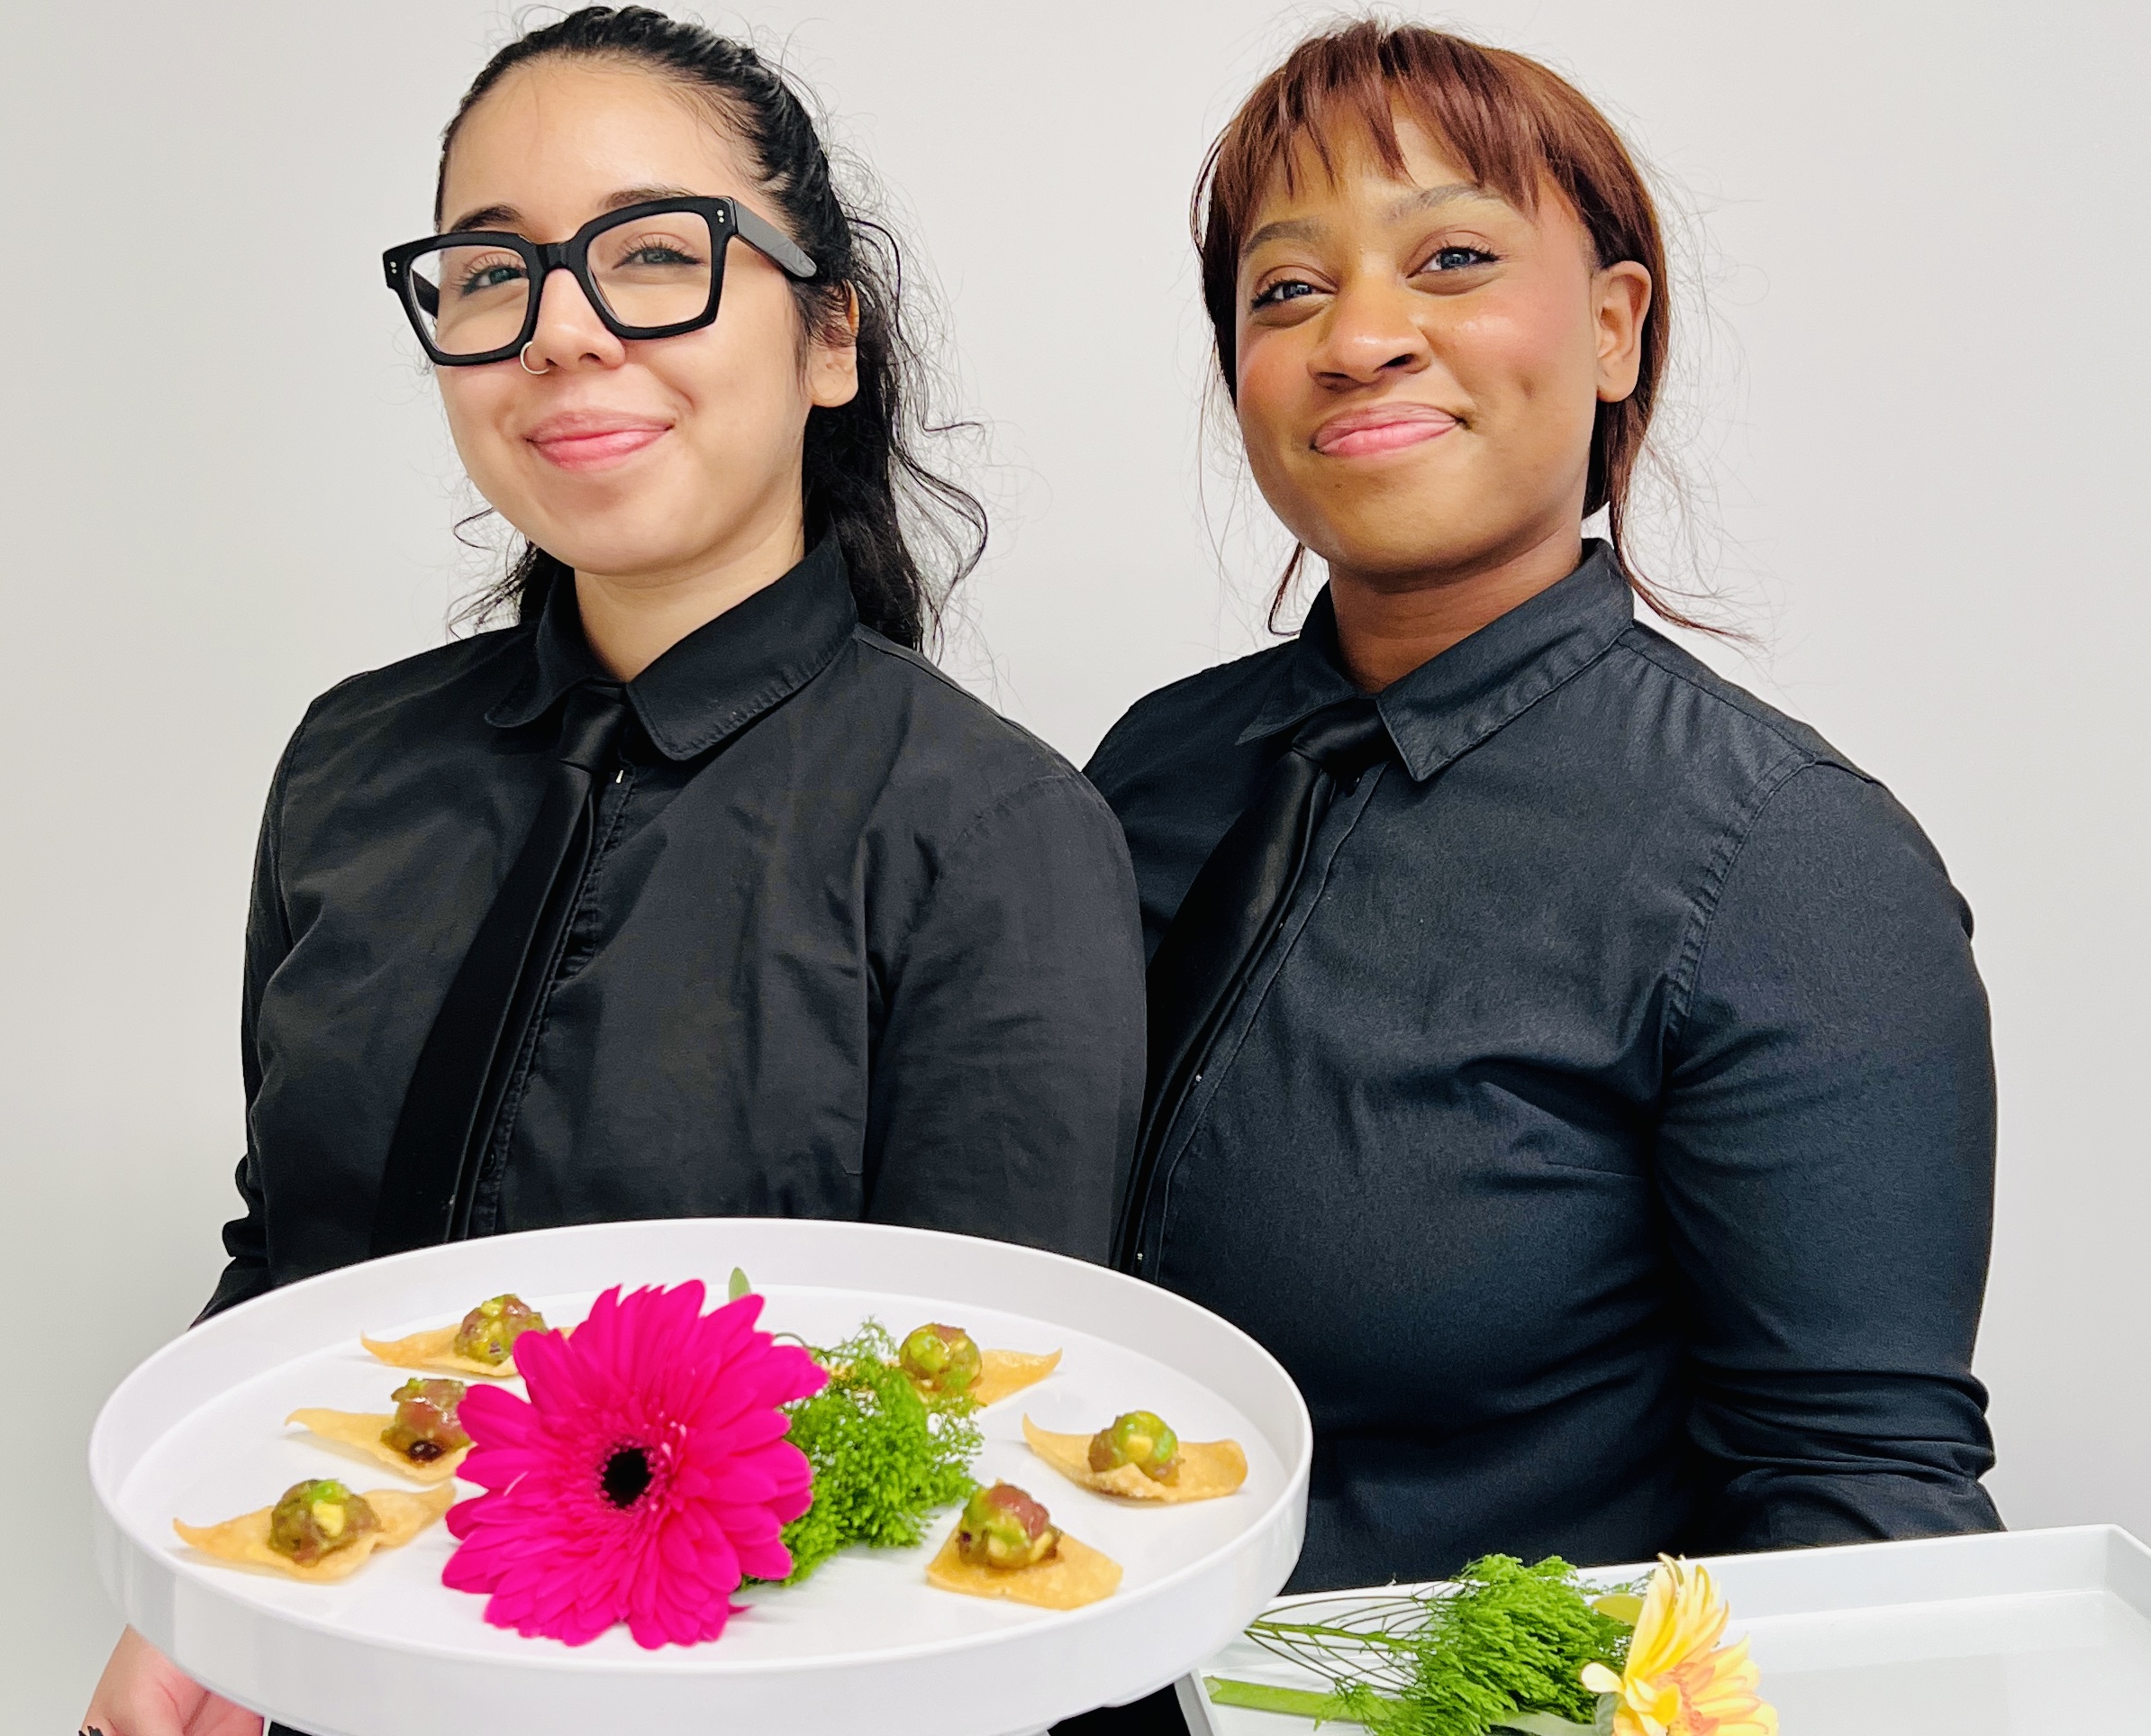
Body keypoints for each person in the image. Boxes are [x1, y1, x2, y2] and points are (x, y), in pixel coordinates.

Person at [83, 10, 1144, 1733]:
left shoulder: (991, 833)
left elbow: (966, 1446)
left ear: (828, 340)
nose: (561, 330)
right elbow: (288, 1258)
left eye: (656, 253)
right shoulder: (354, 766)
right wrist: (196, 1589)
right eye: (489, 276)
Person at [1068, 23, 2001, 1727]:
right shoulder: (1153, 765)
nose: (1359, 338)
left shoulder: (1785, 854)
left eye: (1453, 257)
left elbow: (1863, 1502)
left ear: (1616, 327)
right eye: (1284, 293)